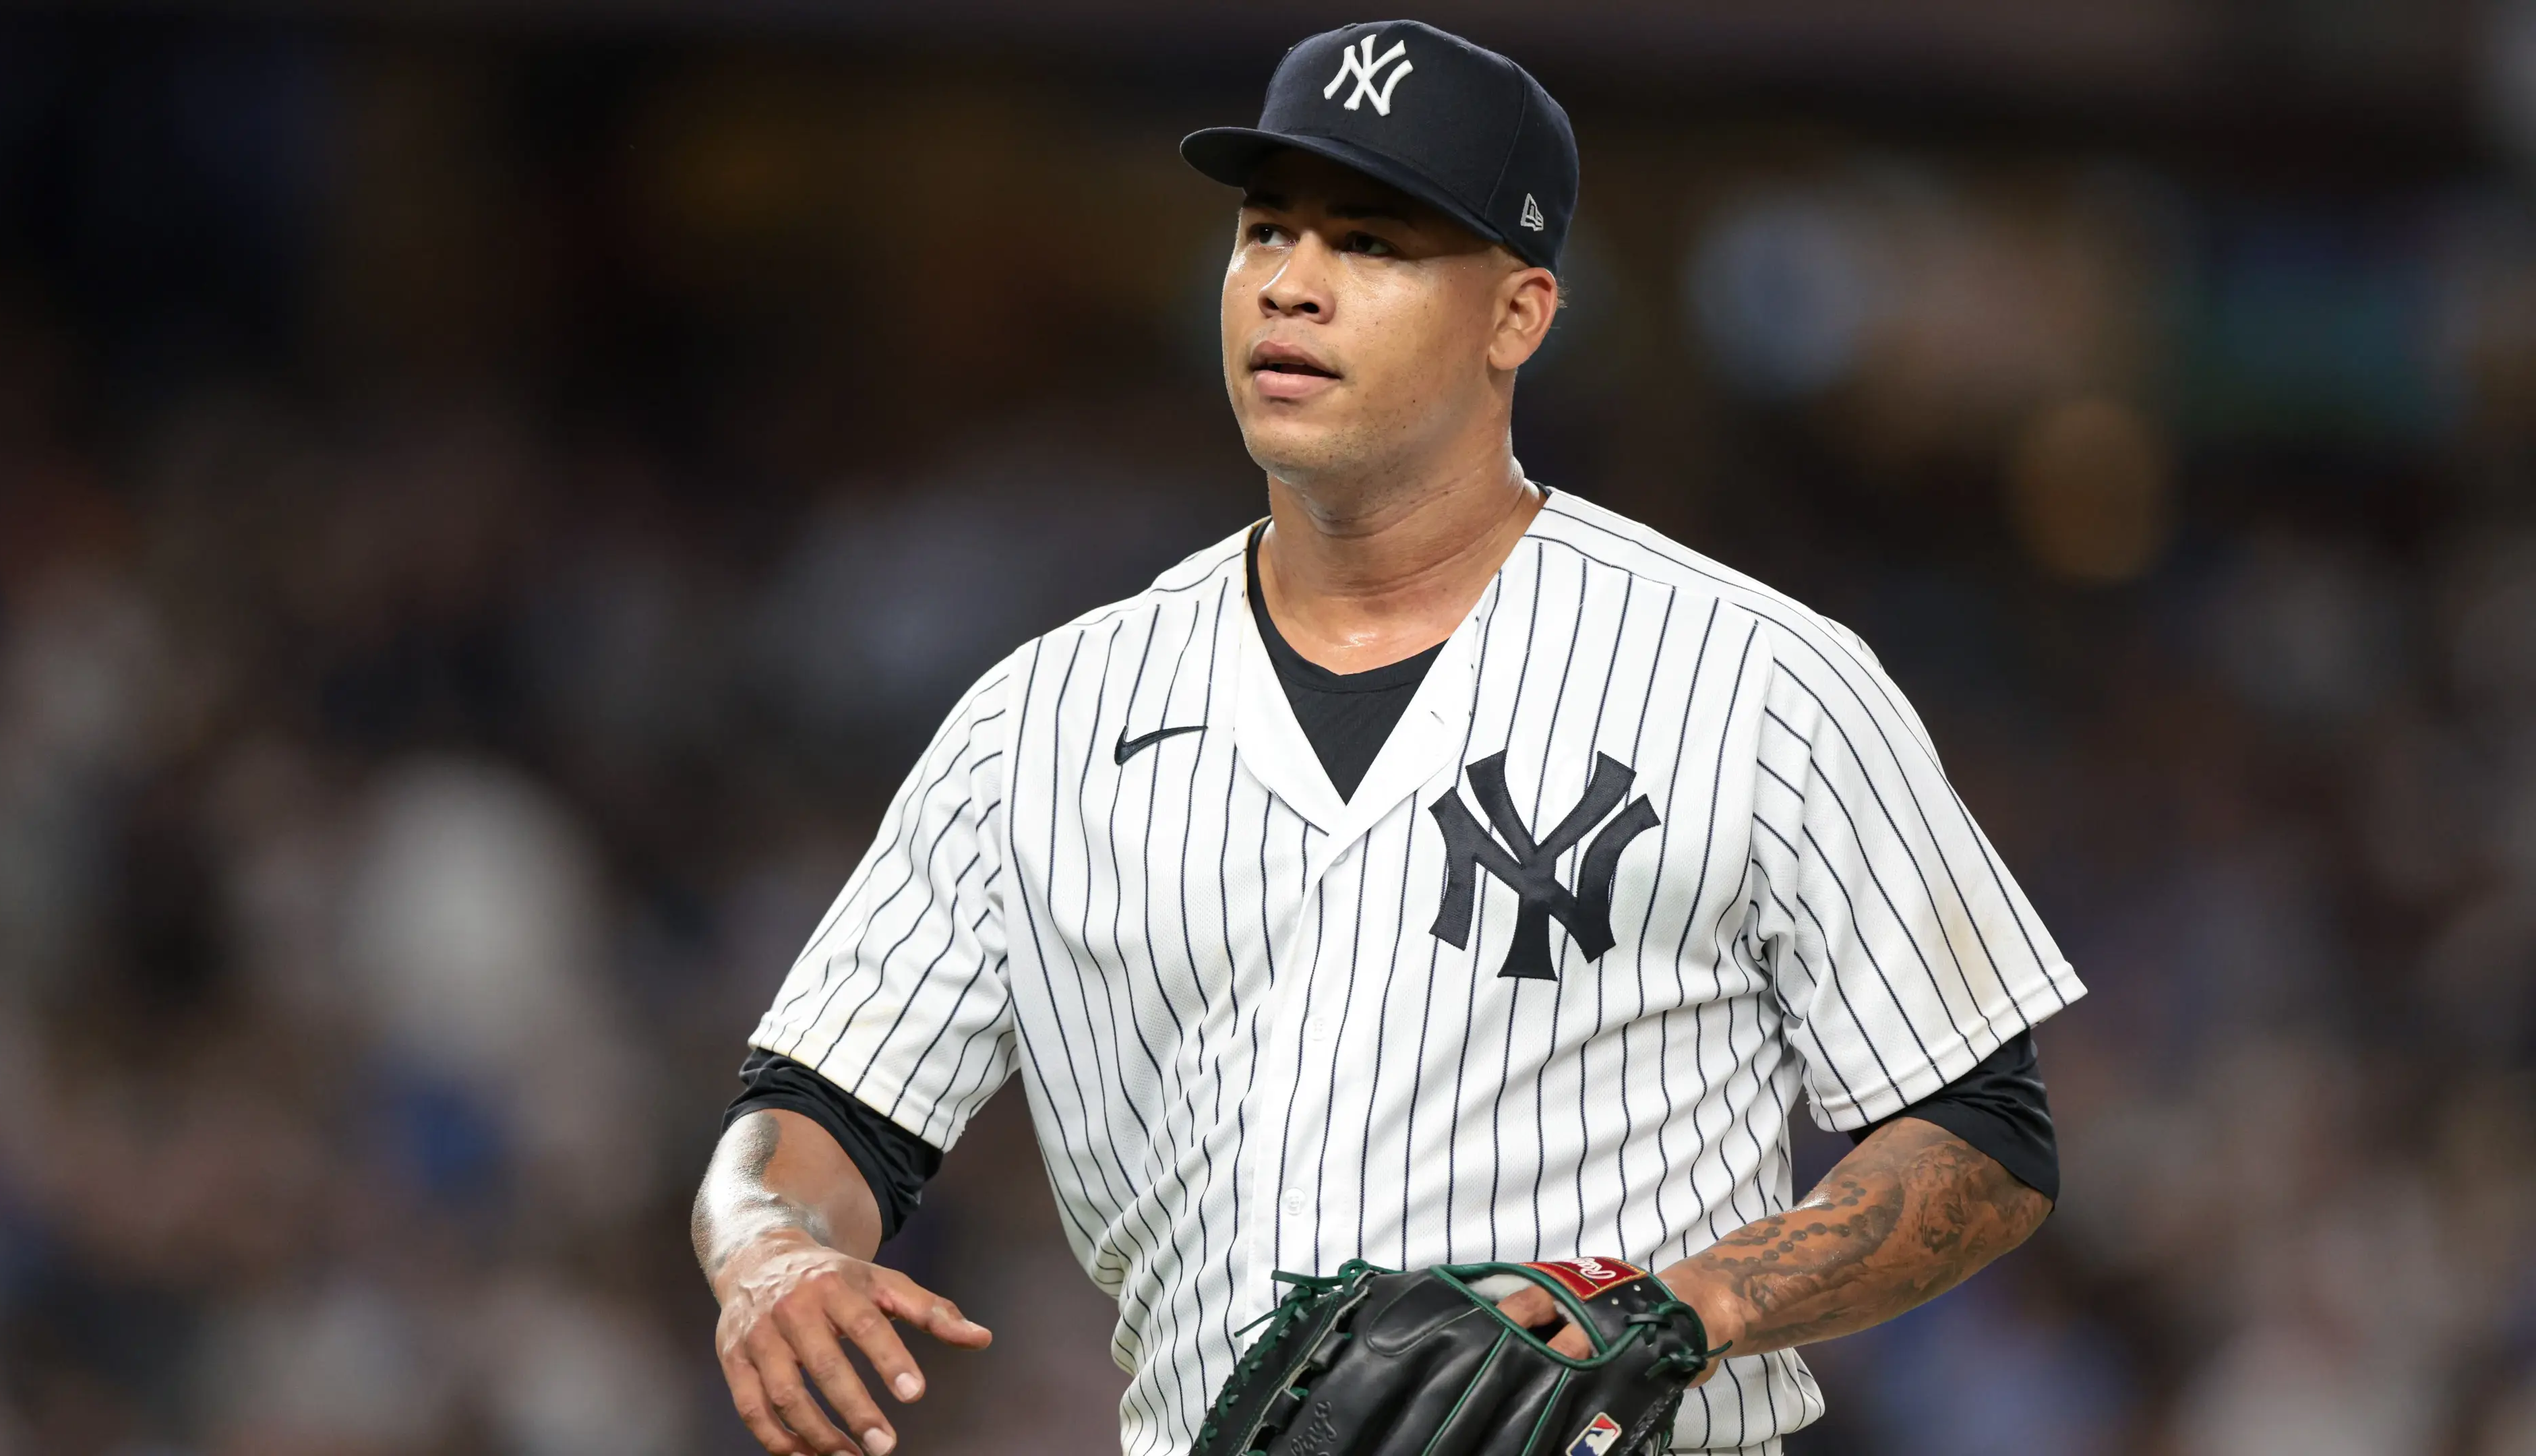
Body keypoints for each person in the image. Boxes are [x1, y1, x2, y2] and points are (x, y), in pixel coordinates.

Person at [691, 20, 2084, 1456]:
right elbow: (813, 1116)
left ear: (1518, 315)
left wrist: (1684, 1306)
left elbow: (1984, 1135)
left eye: (1371, 243)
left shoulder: (1760, 677)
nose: (1291, 285)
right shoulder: (1041, 718)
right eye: (1265, 232)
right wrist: (767, 1250)